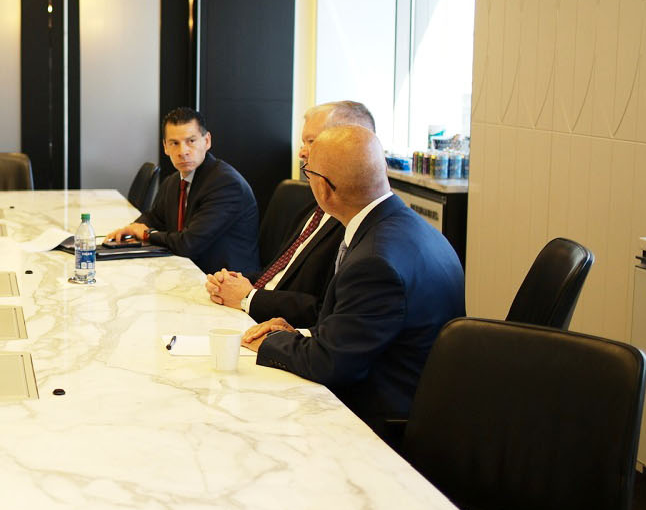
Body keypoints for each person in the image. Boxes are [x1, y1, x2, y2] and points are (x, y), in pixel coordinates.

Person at [243, 126, 464, 437]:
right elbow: (356, 333)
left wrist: (271, 342)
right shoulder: (409, 227)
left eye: (309, 173)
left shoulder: (374, 263)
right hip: (419, 396)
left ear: (324, 189)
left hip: (382, 421)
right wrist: (300, 335)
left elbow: (331, 364)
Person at [205, 101, 375, 324]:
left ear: (348, 147)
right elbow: (277, 273)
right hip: (253, 313)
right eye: (303, 142)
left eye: (311, 141)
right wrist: (233, 282)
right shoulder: (313, 209)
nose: (302, 152)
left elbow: (325, 311)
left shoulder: (352, 224)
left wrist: (249, 297)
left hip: (279, 326)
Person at [105, 107, 259, 274]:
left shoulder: (226, 184)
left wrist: (146, 234)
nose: (183, 152)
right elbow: (155, 218)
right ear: (165, 147)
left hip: (224, 279)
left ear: (207, 141)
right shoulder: (173, 181)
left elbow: (188, 244)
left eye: (191, 141)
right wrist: (131, 229)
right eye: (174, 143)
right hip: (186, 269)